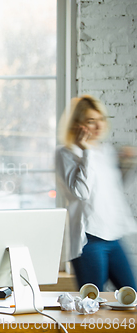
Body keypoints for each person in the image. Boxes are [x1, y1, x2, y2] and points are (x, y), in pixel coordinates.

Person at [56, 95, 137, 291]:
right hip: (89, 240)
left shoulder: (105, 151)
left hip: (113, 236)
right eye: (91, 121)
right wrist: (86, 152)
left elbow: (110, 190)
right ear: (77, 125)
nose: (98, 126)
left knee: (131, 300)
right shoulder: (65, 153)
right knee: (92, 306)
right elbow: (81, 192)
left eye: (100, 120)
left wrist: (128, 164)